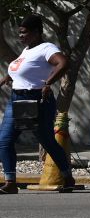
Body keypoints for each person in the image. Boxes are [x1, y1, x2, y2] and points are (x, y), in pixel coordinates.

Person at [2, 18, 74, 194]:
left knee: (47, 141)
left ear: (36, 32)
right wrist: (8, 77)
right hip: (17, 99)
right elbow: (28, 70)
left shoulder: (47, 48)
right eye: (20, 33)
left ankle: (67, 177)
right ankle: (10, 182)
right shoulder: (27, 50)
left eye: (24, 32)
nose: (21, 36)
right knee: (4, 140)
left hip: (38, 99)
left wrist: (48, 83)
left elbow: (63, 63)